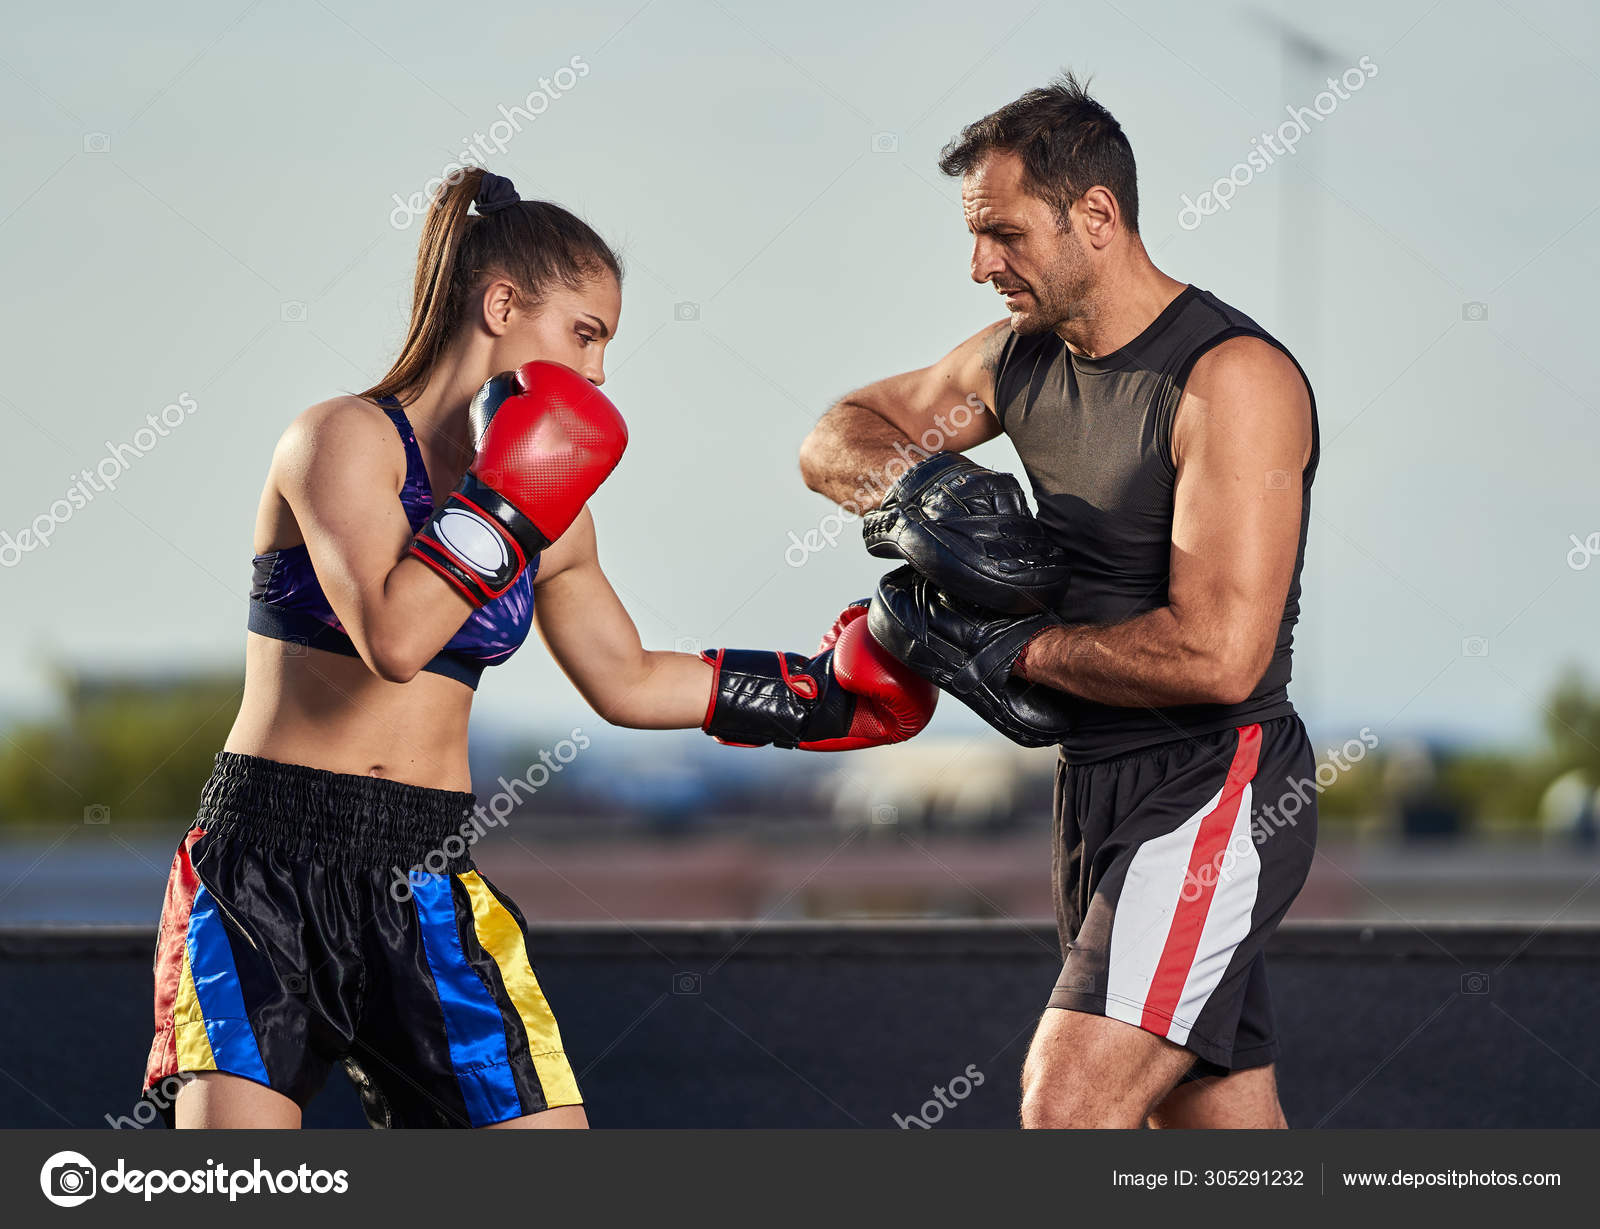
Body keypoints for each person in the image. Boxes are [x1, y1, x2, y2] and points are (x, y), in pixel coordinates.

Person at [142, 168, 936, 1130]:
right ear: (502, 303)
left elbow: (629, 679)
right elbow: (396, 637)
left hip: (424, 866)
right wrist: (509, 498)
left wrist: (824, 699)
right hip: (268, 862)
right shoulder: (341, 439)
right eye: (586, 334)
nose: (598, 373)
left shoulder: (555, 513)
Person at [800, 73, 1319, 1129]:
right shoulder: (1016, 360)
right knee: (1219, 1129)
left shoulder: (1232, 379)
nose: (980, 264)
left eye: (1003, 233)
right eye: (974, 236)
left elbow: (1219, 654)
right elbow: (834, 434)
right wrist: (917, 491)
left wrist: (1010, 646)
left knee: (1068, 1103)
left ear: (1095, 215)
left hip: (1215, 779)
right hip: (1092, 786)